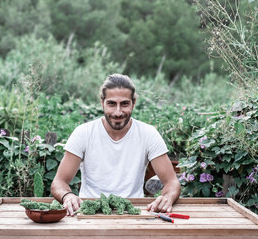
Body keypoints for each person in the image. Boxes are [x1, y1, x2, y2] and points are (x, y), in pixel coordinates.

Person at [51, 74, 180, 216]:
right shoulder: (83, 133)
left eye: (124, 104)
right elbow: (59, 182)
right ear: (102, 103)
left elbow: (172, 182)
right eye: (112, 104)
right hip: (90, 213)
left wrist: (167, 198)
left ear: (133, 103)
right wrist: (67, 196)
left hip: (132, 213)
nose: (118, 112)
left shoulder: (148, 134)